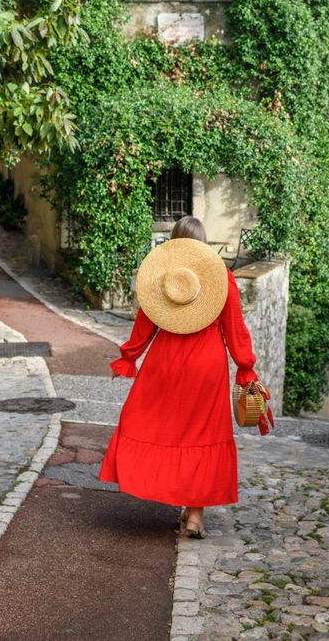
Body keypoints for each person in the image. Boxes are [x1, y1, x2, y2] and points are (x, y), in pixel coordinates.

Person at [98, 216, 260, 538]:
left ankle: (164, 488)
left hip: (165, 361)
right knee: (202, 435)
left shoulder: (162, 279)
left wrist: (129, 357)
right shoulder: (222, 278)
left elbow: (145, 325)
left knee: (153, 424)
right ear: (203, 243)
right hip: (207, 366)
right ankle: (195, 517)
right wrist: (245, 366)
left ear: (174, 244)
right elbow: (236, 329)